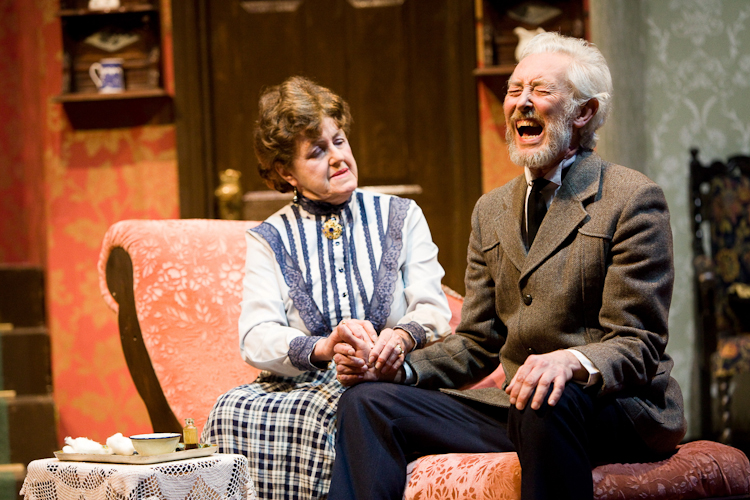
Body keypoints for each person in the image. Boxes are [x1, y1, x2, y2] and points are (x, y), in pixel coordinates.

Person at [328, 32, 687, 500]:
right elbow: (478, 342)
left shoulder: (631, 199)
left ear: (584, 112)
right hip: (519, 406)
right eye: (514, 90)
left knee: (544, 400)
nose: (522, 102)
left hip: (616, 408)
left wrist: (569, 362)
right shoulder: (491, 210)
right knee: (367, 402)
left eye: (541, 90)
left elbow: (638, 344)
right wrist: (397, 370)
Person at [200, 76, 452, 500]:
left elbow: (432, 308)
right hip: (304, 382)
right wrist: (323, 347)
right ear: (287, 172)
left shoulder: (401, 215)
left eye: (339, 141)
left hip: (385, 377)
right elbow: (255, 336)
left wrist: (397, 339)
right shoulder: (269, 237)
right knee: (229, 410)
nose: (337, 158)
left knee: (336, 411)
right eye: (316, 152)